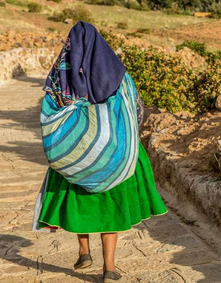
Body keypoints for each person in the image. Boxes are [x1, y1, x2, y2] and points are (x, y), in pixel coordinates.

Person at [32, 21, 168, 282]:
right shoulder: (118, 74)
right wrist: (118, 138)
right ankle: (110, 268)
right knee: (111, 209)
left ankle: (84, 251)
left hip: (75, 155)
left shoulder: (61, 76)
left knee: (78, 201)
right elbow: (135, 111)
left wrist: (80, 136)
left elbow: (49, 113)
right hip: (115, 154)